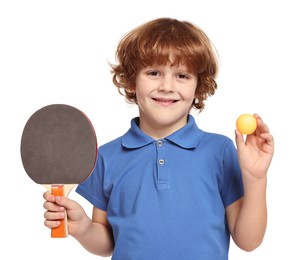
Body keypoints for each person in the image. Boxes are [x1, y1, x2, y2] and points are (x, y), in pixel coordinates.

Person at [43, 17, 274, 259]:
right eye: (154, 72)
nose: (167, 86)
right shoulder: (107, 157)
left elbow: (248, 241)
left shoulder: (221, 151)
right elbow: (107, 243)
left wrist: (255, 178)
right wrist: (84, 228)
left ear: (198, 86)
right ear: (132, 81)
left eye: (182, 76)